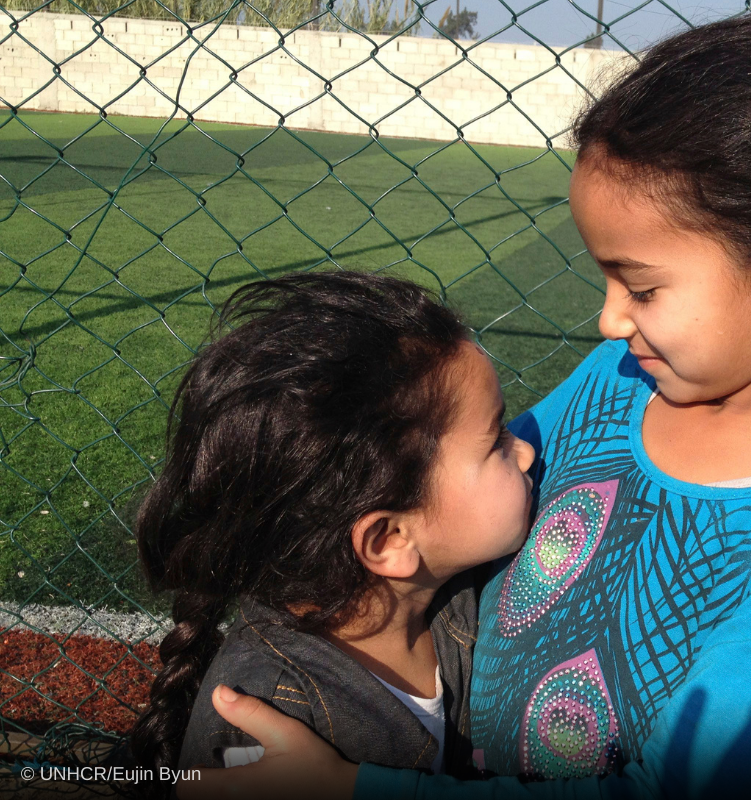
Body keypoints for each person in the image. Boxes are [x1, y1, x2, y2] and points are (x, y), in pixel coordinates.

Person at [178, 11, 751, 800]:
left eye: (643, 285)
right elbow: (448, 501)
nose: (611, 318)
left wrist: (355, 788)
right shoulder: (616, 382)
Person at [127, 272, 536, 783]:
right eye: (496, 439)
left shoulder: (456, 594)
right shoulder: (266, 731)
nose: (526, 451)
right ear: (390, 541)